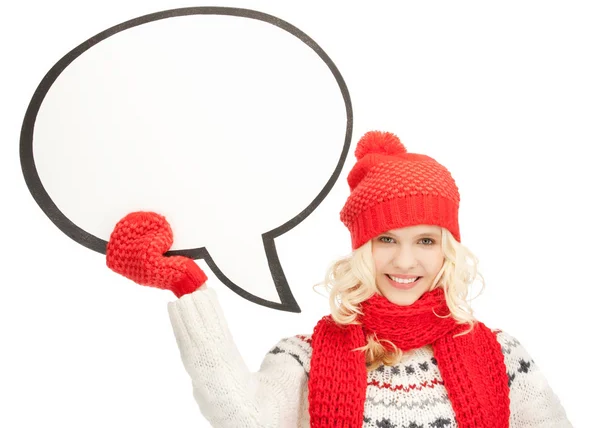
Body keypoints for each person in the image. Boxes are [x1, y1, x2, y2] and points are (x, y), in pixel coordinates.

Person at [106, 131, 572, 428]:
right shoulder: (304, 357)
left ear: (449, 250)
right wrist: (187, 287)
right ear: (361, 248)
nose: (406, 261)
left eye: (426, 242)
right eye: (387, 239)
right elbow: (243, 418)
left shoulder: (501, 353)